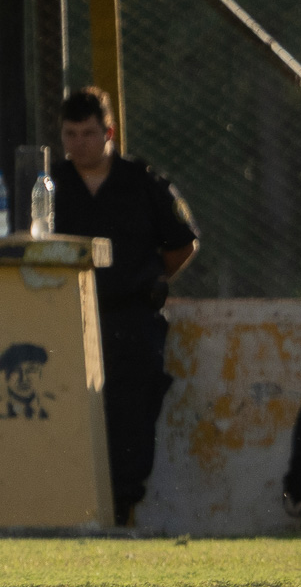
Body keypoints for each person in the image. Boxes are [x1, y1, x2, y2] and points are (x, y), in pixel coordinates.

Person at [51, 87, 199, 526]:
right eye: (70, 134)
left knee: (131, 415)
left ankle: (123, 509)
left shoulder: (142, 182)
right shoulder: (51, 184)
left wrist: (150, 281)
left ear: (109, 132)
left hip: (131, 318)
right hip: (71, 320)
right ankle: (72, 511)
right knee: (67, 411)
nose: (79, 143)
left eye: (89, 133)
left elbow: (182, 242)